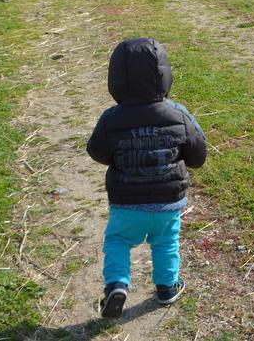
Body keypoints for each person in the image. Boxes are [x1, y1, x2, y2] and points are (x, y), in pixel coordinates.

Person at [87, 38, 207, 318]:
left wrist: (121, 156)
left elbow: (96, 151)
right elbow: (198, 154)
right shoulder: (178, 114)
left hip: (126, 203)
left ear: (115, 79)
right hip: (168, 202)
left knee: (117, 240)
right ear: (164, 75)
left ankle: (116, 285)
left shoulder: (110, 119)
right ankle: (166, 287)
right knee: (166, 242)